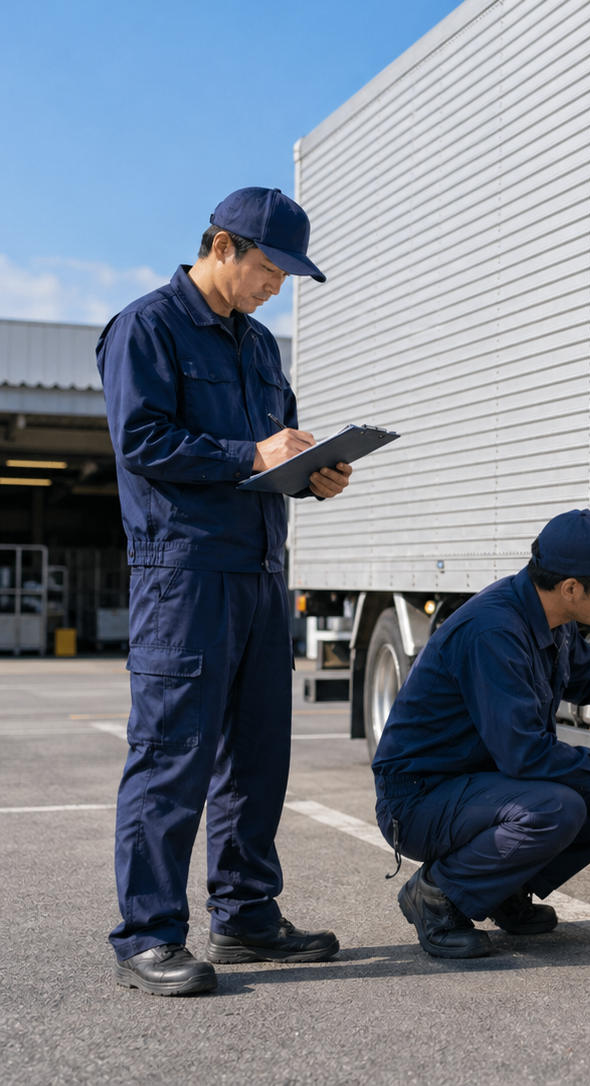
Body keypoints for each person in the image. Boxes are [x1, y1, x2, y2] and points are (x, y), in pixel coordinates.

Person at [100, 188, 353, 996]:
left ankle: (245, 916)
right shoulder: (147, 328)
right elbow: (142, 440)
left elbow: (268, 453)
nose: (277, 285)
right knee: (171, 756)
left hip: (260, 574)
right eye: (270, 268)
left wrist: (314, 476)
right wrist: (251, 453)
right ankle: (147, 937)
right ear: (222, 246)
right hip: (183, 575)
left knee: (256, 758)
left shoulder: (260, 348)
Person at [372, 509, 590, 958]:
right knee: (555, 807)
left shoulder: (550, 616)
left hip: (475, 783)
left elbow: (588, 678)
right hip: (418, 800)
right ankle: (439, 895)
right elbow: (526, 756)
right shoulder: (494, 632)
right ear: (572, 587)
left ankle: (501, 888)